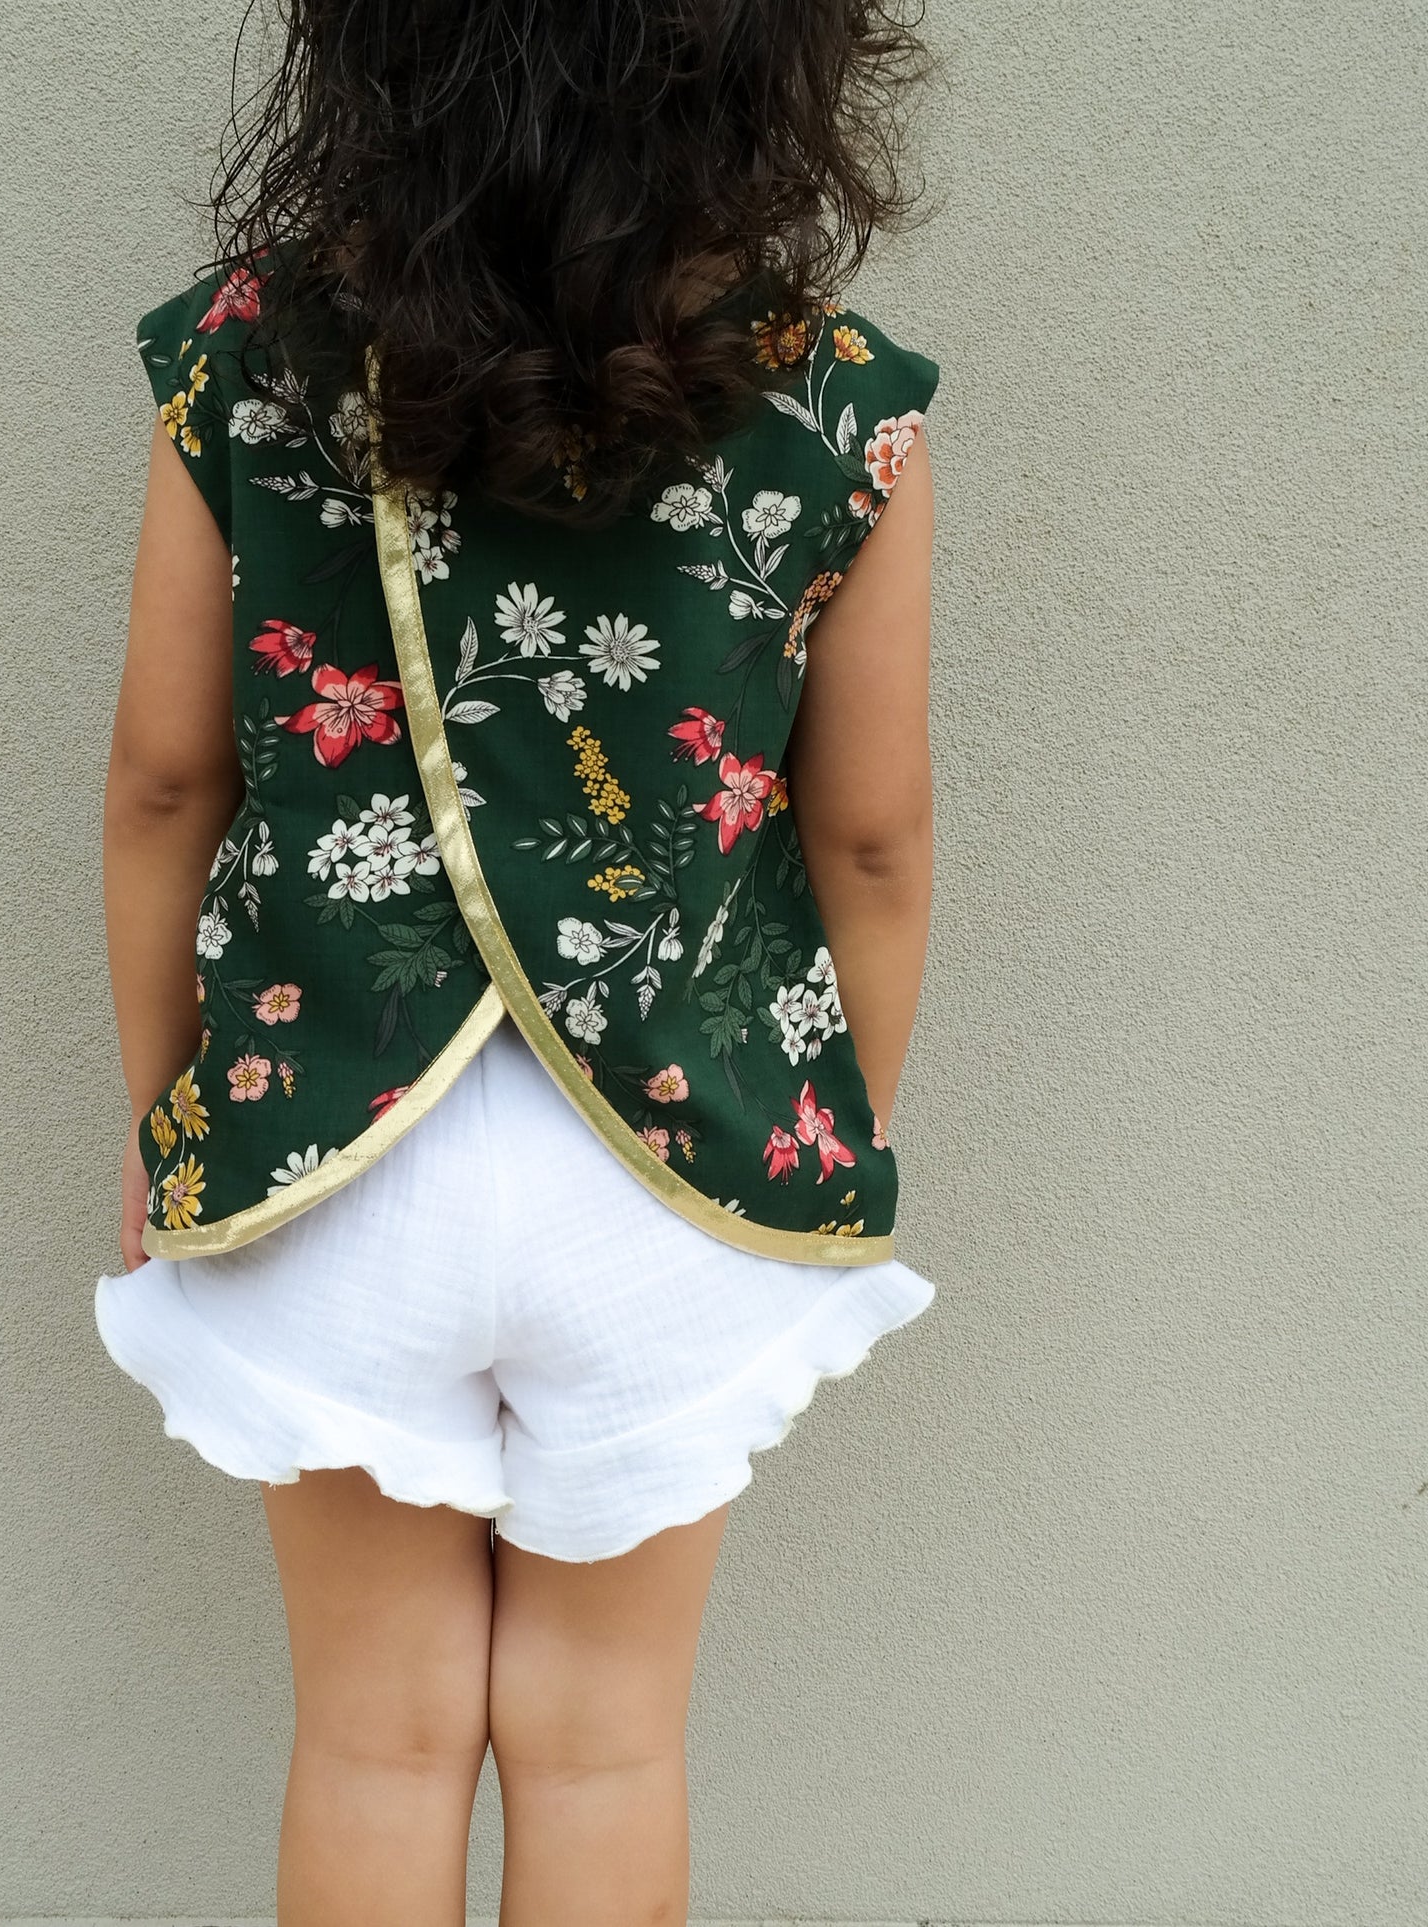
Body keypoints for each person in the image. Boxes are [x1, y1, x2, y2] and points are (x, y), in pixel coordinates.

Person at [94, 2, 943, 1919]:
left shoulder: (252, 354)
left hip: (329, 1148)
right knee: (606, 1739)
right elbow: (871, 840)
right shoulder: (833, 395)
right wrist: (831, 1132)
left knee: (374, 1737)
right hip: (671, 1161)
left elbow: (163, 783)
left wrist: (166, 1121)